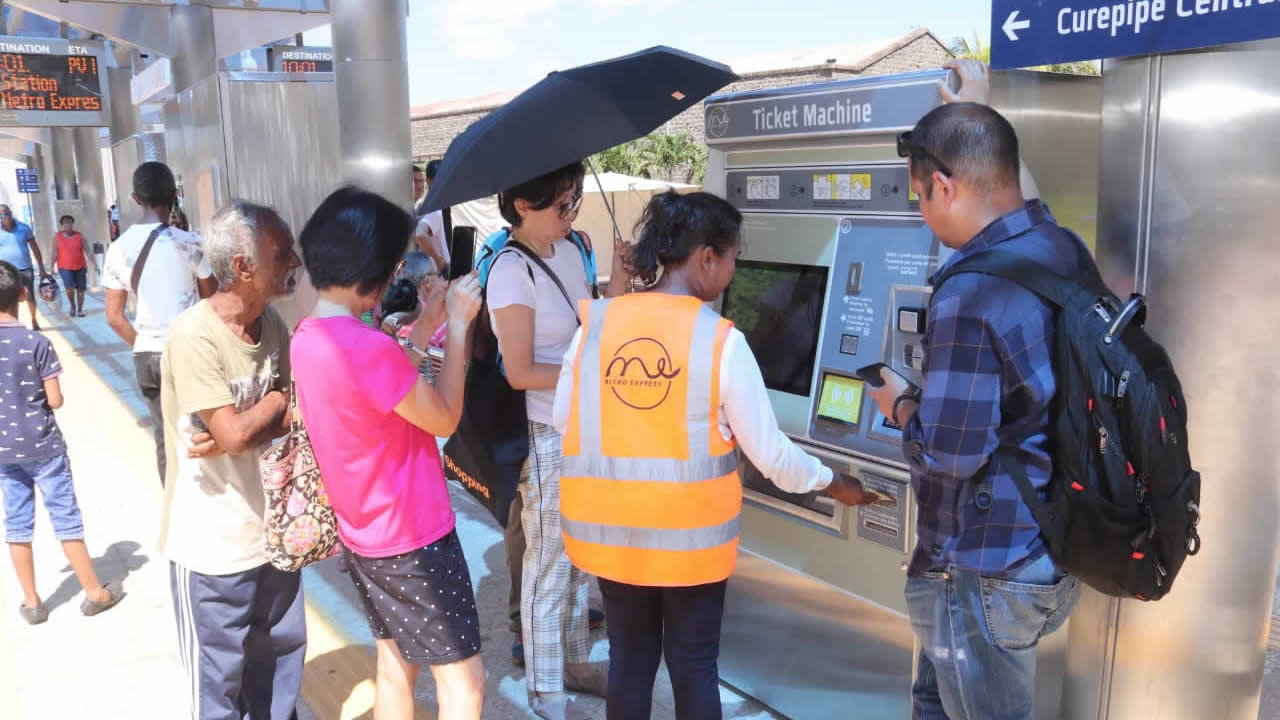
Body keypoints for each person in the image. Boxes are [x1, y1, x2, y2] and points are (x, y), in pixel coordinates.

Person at [552, 192, 875, 720]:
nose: (732, 271)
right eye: (732, 259)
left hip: (608, 534)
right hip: (690, 545)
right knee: (693, 666)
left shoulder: (597, 325)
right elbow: (770, 456)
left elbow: (565, 417)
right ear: (706, 257)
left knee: (630, 661)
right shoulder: (720, 341)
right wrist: (832, 481)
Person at [864, 60, 1081, 720]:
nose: (923, 214)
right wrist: (982, 109)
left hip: (983, 568)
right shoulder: (1057, 246)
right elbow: (1026, 196)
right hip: (1042, 544)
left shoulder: (968, 293)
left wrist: (898, 404)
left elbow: (949, 453)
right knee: (934, 703)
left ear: (943, 186)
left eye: (920, 198)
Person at [291, 187, 486, 720]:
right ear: (374, 274)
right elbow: (443, 415)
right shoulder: (369, 348)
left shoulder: (309, 336)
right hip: (415, 538)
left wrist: (426, 322)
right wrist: (462, 326)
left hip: (364, 535)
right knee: (464, 683)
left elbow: (383, 381)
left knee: (397, 664)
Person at [487, 160, 626, 719]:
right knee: (548, 567)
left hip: (581, 423)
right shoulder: (509, 270)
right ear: (522, 205)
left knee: (579, 555)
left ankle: (573, 662)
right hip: (544, 431)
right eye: (560, 205)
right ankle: (546, 696)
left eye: (574, 200)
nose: (570, 214)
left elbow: (592, 329)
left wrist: (618, 278)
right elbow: (519, 370)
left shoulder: (569, 252)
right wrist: (590, 374)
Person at [157, 201, 305, 720]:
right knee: (219, 689)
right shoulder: (194, 335)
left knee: (280, 672)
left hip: (273, 536)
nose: (295, 260)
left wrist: (254, 420)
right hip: (211, 551)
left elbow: (291, 410)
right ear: (243, 266)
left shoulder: (273, 326)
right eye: (282, 252)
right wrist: (272, 407)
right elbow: (242, 430)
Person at [0, 260, 126, 625]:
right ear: (24, 295)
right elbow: (54, 400)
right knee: (65, 518)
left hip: (6, 452)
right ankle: (94, 592)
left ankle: (33, 601)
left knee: (17, 523)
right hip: (44, 448)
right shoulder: (36, 342)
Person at [103, 162, 217, 484]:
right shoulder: (190, 242)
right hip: (191, 352)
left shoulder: (117, 249)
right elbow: (211, 302)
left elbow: (114, 316)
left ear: (135, 198)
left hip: (147, 356)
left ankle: (172, 510)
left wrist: (145, 343)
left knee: (165, 437)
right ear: (174, 194)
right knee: (201, 433)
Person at [0, 204, 46, 331]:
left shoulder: (24, 228)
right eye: (1, 215)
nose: (4, 216)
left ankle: (33, 319)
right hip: (6, 272)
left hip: (25, 269)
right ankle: (16, 324)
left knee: (30, 297)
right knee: (10, 298)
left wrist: (41, 268)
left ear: (11, 213)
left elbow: (35, 248)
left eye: (6, 213)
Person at [50, 215, 94, 318]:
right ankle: (72, 305)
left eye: (70, 222)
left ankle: (80, 310)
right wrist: (51, 267)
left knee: (81, 289)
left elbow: (87, 250)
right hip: (65, 267)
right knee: (69, 287)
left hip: (80, 266)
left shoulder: (80, 235)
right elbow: (54, 253)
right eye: (65, 223)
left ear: (73, 224)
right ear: (62, 225)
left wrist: (94, 264)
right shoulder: (57, 237)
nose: (68, 225)